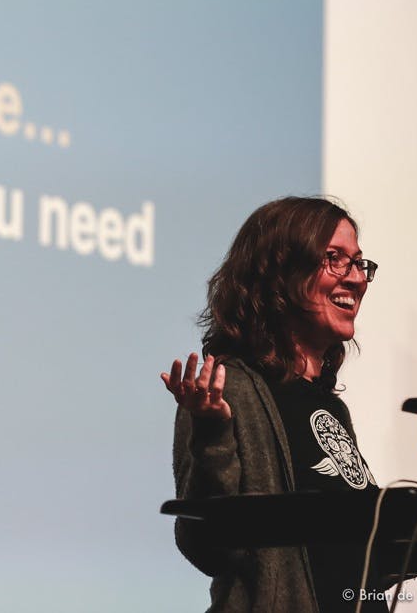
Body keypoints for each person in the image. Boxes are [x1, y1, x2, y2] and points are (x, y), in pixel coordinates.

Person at [160, 196, 384, 613]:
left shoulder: (330, 406)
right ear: (279, 273)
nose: (356, 278)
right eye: (334, 259)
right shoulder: (229, 389)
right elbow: (206, 547)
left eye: (358, 263)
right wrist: (211, 434)